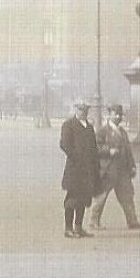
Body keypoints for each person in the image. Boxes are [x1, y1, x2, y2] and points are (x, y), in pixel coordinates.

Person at [91, 103, 140, 229]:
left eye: (120, 114)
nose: (119, 117)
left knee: (127, 196)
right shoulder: (103, 131)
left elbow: (128, 151)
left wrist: (132, 166)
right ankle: (94, 221)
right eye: (116, 114)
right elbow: (95, 148)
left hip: (123, 171)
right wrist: (109, 151)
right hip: (108, 170)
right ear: (109, 115)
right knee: (101, 197)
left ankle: (132, 221)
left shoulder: (122, 132)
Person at [59, 100, 100, 238]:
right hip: (74, 169)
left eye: (86, 109)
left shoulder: (89, 127)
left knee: (83, 199)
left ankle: (78, 227)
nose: (84, 112)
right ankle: (68, 228)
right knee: (72, 199)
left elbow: (94, 148)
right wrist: (77, 157)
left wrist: (95, 166)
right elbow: (64, 144)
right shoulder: (68, 125)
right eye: (81, 109)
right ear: (76, 109)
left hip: (88, 170)